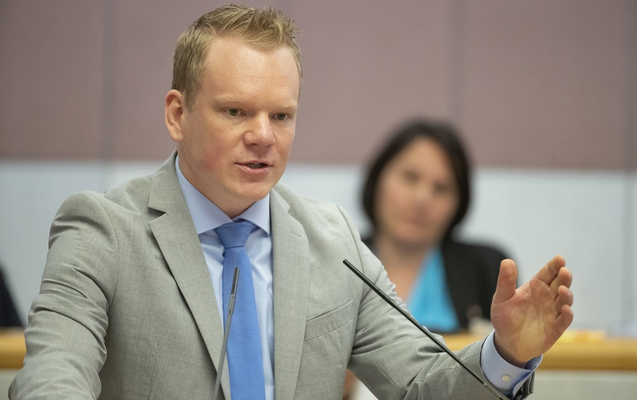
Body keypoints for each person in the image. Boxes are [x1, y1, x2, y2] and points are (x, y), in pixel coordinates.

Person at [9, 5, 574, 400]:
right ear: (177, 114)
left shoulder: (333, 241)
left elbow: (421, 386)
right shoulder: (101, 231)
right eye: (236, 111)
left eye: (281, 115)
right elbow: (53, 378)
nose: (264, 135)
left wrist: (505, 354)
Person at [361, 120, 507, 333]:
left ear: (459, 203)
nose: (423, 198)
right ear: (378, 179)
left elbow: (509, 361)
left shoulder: (486, 269)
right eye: (410, 178)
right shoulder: (336, 259)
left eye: (441, 188)